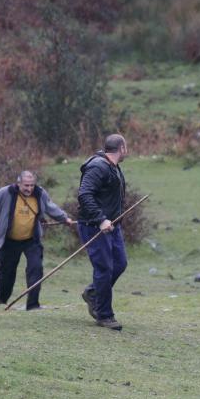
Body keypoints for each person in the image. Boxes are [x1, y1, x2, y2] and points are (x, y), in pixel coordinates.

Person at [0, 170, 74, 310]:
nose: (29, 189)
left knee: (36, 269)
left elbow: (51, 207)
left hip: (31, 239)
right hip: (9, 240)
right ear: (18, 184)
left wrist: (64, 218)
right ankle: (2, 301)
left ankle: (33, 305)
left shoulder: (40, 193)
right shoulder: (4, 193)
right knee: (7, 273)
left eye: (31, 185)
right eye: (26, 185)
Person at [76, 133, 129, 330]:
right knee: (104, 268)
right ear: (121, 148)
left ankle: (93, 293)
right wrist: (101, 219)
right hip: (94, 226)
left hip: (113, 227)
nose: (127, 151)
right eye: (126, 147)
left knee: (120, 264)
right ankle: (104, 315)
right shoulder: (98, 167)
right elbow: (84, 194)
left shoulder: (112, 166)